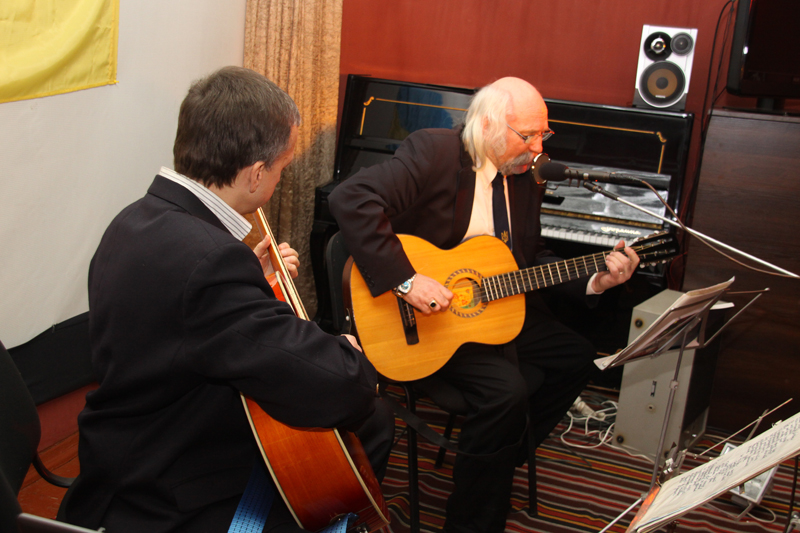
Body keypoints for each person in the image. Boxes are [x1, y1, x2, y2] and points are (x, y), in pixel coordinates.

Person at [60, 66, 394, 533]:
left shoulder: (134, 221)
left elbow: (177, 318)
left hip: (122, 450)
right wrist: (349, 356)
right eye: (281, 169)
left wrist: (249, 284)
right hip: (170, 489)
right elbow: (341, 386)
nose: (278, 179)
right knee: (369, 420)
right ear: (255, 174)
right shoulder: (211, 262)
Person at [328, 77, 639, 533]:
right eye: (527, 135)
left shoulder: (525, 177)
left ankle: (493, 459)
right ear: (489, 124)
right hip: (422, 322)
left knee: (576, 357)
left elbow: (529, 261)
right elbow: (350, 198)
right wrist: (406, 281)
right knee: (506, 393)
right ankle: (472, 518)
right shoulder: (434, 152)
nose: (538, 148)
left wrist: (597, 279)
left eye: (543, 135)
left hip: (492, 309)